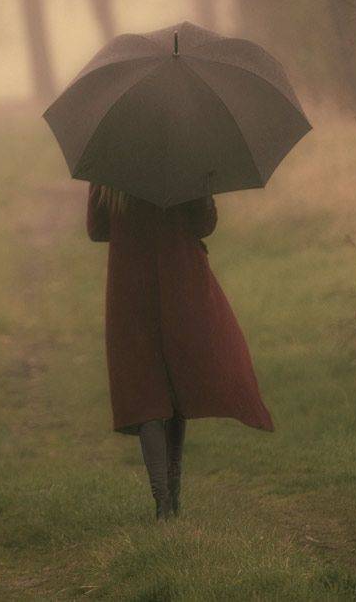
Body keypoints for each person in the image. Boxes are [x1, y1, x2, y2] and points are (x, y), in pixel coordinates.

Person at [86, 181, 274, 521]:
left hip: (131, 286)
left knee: (144, 392)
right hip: (181, 281)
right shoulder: (185, 160)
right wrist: (205, 187)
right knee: (176, 384)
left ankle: (162, 505)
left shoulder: (110, 166)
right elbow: (204, 225)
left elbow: (97, 229)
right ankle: (174, 495)